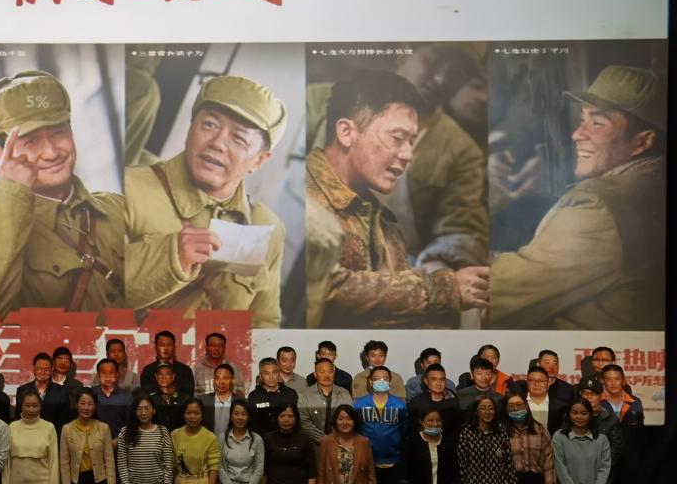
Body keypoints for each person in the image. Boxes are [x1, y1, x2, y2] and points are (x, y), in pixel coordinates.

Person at [305, 70, 489, 327]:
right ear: (346, 132)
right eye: (396, 138)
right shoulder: (303, 203)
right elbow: (322, 289)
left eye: (411, 142)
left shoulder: (382, 223)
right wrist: (444, 289)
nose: (407, 155)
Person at [491, 65, 665, 329]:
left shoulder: (597, 207)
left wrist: (446, 287)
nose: (577, 134)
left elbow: (499, 297)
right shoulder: (652, 185)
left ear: (642, 142)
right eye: (582, 119)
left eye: (597, 123)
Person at [0, 70, 125, 318]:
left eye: (58, 132)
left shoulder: (117, 208)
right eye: (30, 141)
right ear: (0, 154)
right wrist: (7, 192)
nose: (51, 152)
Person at [125, 75, 287, 325]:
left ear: (259, 160)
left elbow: (264, 322)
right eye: (210, 125)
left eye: (239, 138)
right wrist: (170, 258)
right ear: (190, 128)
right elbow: (84, 298)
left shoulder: (265, 226)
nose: (218, 143)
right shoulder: (128, 189)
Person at [354, 365, 406, 484]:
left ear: (390, 382)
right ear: (370, 382)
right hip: (368, 462)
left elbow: (404, 429)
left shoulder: (400, 405)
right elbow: (355, 431)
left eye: (385, 378)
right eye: (377, 378)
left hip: (393, 461)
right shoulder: (359, 404)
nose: (381, 381)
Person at [600, 363, 645, 484]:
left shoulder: (635, 403)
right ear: (603, 381)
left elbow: (641, 434)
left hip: (629, 463)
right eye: (609, 379)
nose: (613, 383)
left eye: (617, 379)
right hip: (605, 461)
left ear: (624, 381)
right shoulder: (598, 403)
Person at [298, 358, 353, 444]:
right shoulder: (304, 395)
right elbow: (304, 423)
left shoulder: (344, 393)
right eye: (322, 372)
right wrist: (326, 440)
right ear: (315, 375)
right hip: (314, 445)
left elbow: (350, 419)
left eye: (330, 372)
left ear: (334, 373)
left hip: (341, 443)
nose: (327, 376)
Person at [407, 363, 462, 442]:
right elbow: (411, 431)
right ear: (426, 381)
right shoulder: (416, 402)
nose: (438, 383)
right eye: (434, 379)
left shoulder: (453, 403)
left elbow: (456, 431)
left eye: (442, 379)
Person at [248, 357, 298, 437]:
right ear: (261, 376)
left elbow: (297, 420)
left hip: (288, 439)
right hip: (262, 440)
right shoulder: (254, 396)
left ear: (279, 374)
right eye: (266, 373)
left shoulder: (290, 393)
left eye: (274, 373)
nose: (271, 377)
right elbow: (252, 425)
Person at [139, 330, 194, 396]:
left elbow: (189, 394)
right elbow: (146, 394)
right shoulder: (148, 370)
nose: (165, 348)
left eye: (169, 345)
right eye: (161, 345)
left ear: (174, 347)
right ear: (156, 347)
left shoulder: (185, 370)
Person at [93, 358, 133, 438]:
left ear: (117, 375)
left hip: (120, 441)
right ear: (98, 375)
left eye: (111, 372)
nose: (107, 376)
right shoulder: (91, 394)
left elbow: (130, 422)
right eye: (104, 372)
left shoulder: (126, 396)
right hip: (94, 441)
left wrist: (118, 440)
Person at [201, 363, 240, 434]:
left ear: (232, 380)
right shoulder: (203, 401)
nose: (221, 382)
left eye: (225, 378)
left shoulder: (240, 402)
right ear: (214, 381)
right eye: (217, 378)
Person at [148, 361, 188, 432]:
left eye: (167, 374)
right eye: (160, 374)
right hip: (157, 436)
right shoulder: (150, 399)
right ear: (156, 376)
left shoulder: (184, 398)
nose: (163, 377)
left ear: (173, 376)